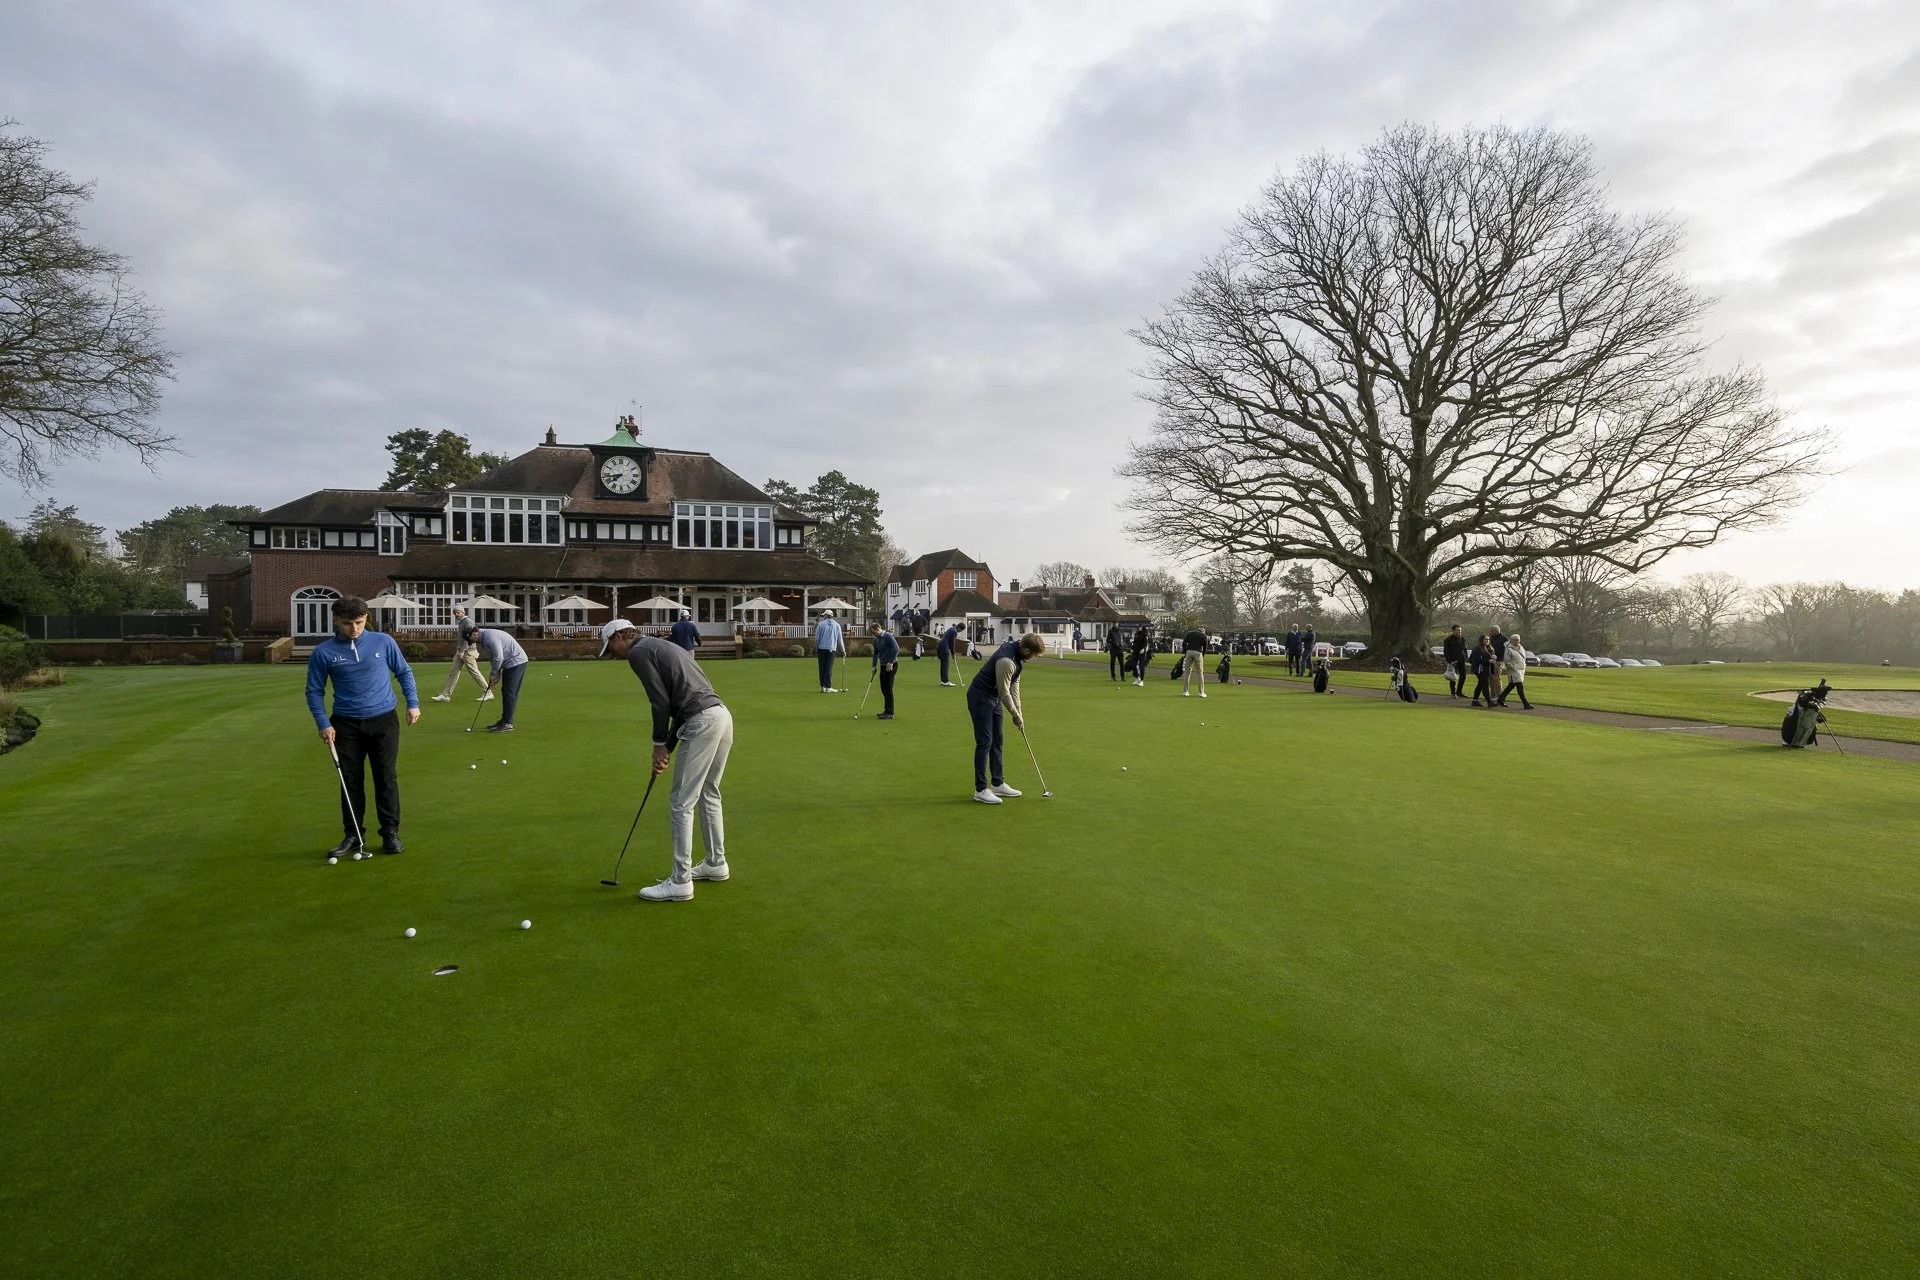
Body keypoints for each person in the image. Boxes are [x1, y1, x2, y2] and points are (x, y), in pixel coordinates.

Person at [597, 619, 733, 902]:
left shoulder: (638, 652)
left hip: (701, 720)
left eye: (611, 646)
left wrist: (659, 745)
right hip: (720, 715)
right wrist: (667, 747)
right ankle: (716, 863)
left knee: (681, 801)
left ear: (622, 635)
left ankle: (680, 881)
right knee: (708, 792)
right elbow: (675, 702)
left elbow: (659, 701)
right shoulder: (662, 646)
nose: (614, 654)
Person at [306, 595, 420, 857]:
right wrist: (323, 723)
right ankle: (354, 836)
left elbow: (404, 672)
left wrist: (412, 703)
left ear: (367, 618)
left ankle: (390, 832)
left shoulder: (383, 641)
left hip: (384, 720)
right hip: (345, 725)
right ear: (336, 621)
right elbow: (314, 691)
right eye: (347, 624)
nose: (354, 629)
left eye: (359, 622)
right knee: (350, 781)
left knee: (386, 777)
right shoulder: (324, 652)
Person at [967, 632, 1046, 804]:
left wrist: (1019, 712)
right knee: (985, 741)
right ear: (1026, 650)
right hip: (980, 696)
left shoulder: (1018, 657)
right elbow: (1004, 692)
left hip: (993, 698)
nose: (1034, 657)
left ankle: (997, 783)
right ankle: (980, 789)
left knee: (998, 740)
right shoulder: (1007, 661)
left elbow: (1014, 684)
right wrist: (1014, 714)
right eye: (1033, 654)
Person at [461, 619, 530, 732]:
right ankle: (504, 721)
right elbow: (493, 658)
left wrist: (493, 673)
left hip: (516, 662)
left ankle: (508, 723)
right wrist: (496, 675)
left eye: (471, 640)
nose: (473, 643)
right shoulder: (483, 639)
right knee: (506, 691)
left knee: (509, 692)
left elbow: (499, 657)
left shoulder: (490, 637)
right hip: (510, 663)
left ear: (474, 634)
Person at [430, 608, 488, 702]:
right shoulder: (462, 622)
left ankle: (488, 692)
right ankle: (446, 695)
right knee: (453, 673)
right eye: (455, 613)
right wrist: (460, 651)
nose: (456, 614)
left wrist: (462, 651)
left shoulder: (468, 622)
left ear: (463, 612)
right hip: (461, 651)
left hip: (468, 652)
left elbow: (468, 638)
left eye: (458, 612)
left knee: (475, 673)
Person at [869, 621, 898, 719]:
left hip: (891, 665)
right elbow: (875, 654)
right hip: (882, 665)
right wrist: (873, 666)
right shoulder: (876, 640)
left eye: (874, 632)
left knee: (888, 688)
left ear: (878, 629)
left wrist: (890, 662)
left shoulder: (888, 636)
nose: (873, 635)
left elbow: (896, 648)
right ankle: (887, 710)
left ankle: (890, 713)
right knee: (883, 688)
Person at [1497, 632, 1534, 709]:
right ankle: (1525, 703)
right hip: (1514, 671)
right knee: (1520, 687)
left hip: (1521, 670)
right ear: (1511, 640)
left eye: (1518, 640)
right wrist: (1513, 667)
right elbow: (1507, 661)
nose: (1517, 641)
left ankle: (1500, 699)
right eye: (1515, 640)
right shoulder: (1508, 649)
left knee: (1511, 686)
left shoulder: (1521, 647)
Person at [814, 609, 844, 692]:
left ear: (826, 616)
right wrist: (843, 650)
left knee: (822, 668)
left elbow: (817, 638)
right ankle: (827, 687)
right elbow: (839, 639)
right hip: (831, 649)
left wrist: (817, 647)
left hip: (821, 648)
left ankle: (823, 687)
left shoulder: (820, 625)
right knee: (828, 668)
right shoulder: (837, 625)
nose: (823, 617)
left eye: (824, 615)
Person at [1181, 623, 1209, 698]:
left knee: (1187, 672)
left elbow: (1184, 643)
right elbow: (1205, 647)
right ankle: (1201, 692)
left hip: (1189, 652)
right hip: (1198, 653)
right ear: (1203, 631)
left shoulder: (1190, 633)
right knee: (1200, 673)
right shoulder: (1203, 636)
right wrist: (1202, 655)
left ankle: (1185, 691)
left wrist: (1185, 651)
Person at [1441, 624, 1468, 699]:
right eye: (1458, 630)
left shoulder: (1462, 639)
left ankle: (1459, 692)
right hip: (1453, 661)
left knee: (1463, 676)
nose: (1460, 632)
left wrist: (1466, 657)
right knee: (1452, 677)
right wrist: (1450, 661)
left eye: (1460, 630)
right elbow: (1446, 651)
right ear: (1453, 630)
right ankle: (1453, 692)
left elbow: (1465, 649)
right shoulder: (1448, 640)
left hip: (1461, 661)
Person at [1469, 633, 1496, 707]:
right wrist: (1488, 661)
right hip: (1480, 670)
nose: (1487, 640)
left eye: (1488, 639)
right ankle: (1489, 701)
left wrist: (1493, 659)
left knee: (1480, 685)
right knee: (1485, 685)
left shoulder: (1490, 649)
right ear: (1482, 640)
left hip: (1487, 670)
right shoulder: (1478, 649)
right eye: (1486, 639)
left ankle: (1475, 700)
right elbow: (1474, 659)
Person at [938, 621, 962, 686]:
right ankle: (945, 681)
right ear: (959, 628)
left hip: (940, 647)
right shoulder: (954, 631)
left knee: (943, 665)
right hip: (944, 648)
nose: (960, 632)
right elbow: (952, 644)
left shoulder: (952, 628)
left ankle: (943, 681)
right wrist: (953, 653)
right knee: (945, 665)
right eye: (961, 630)